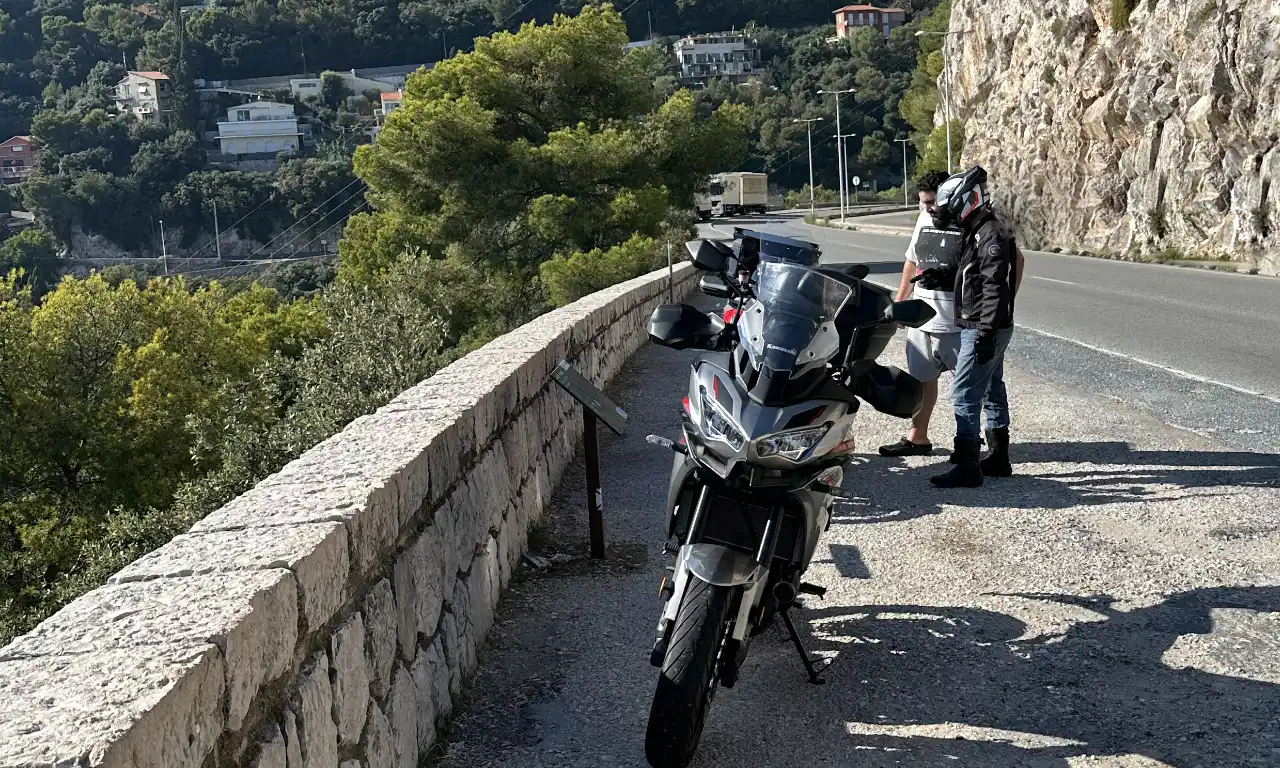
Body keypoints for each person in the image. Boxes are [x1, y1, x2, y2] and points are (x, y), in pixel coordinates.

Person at [920, 166, 1021, 488]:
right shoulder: (977, 229)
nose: (943, 214)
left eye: (947, 208)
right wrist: (941, 276)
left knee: (964, 392)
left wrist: (986, 333)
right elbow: (971, 273)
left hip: (982, 326)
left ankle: (967, 465)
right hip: (986, 324)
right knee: (992, 388)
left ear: (964, 202)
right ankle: (999, 457)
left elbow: (994, 287)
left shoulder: (989, 233)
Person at [878, 170, 957, 459]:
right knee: (922, 379)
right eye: (923, 202)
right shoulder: (925, 218)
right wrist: (901, 302)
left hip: (958, 321)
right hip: (923, 317)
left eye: (932, 201)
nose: (926, 208)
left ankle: (971, 445)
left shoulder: (967, 220)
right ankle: (918, 437)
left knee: (971, 387)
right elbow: (911, 261)